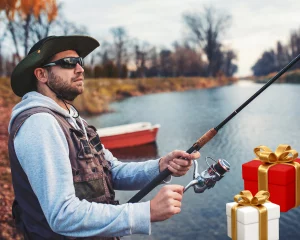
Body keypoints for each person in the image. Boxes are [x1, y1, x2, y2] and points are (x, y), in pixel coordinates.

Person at [8, 35, 200, 240]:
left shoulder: (72, 119)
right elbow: (62, 215)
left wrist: (161, 166)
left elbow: (112, 171)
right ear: (42, 74)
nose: (80, 69)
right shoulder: (39, 123)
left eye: (80, 62)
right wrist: (146, 212)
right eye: (68, 63)